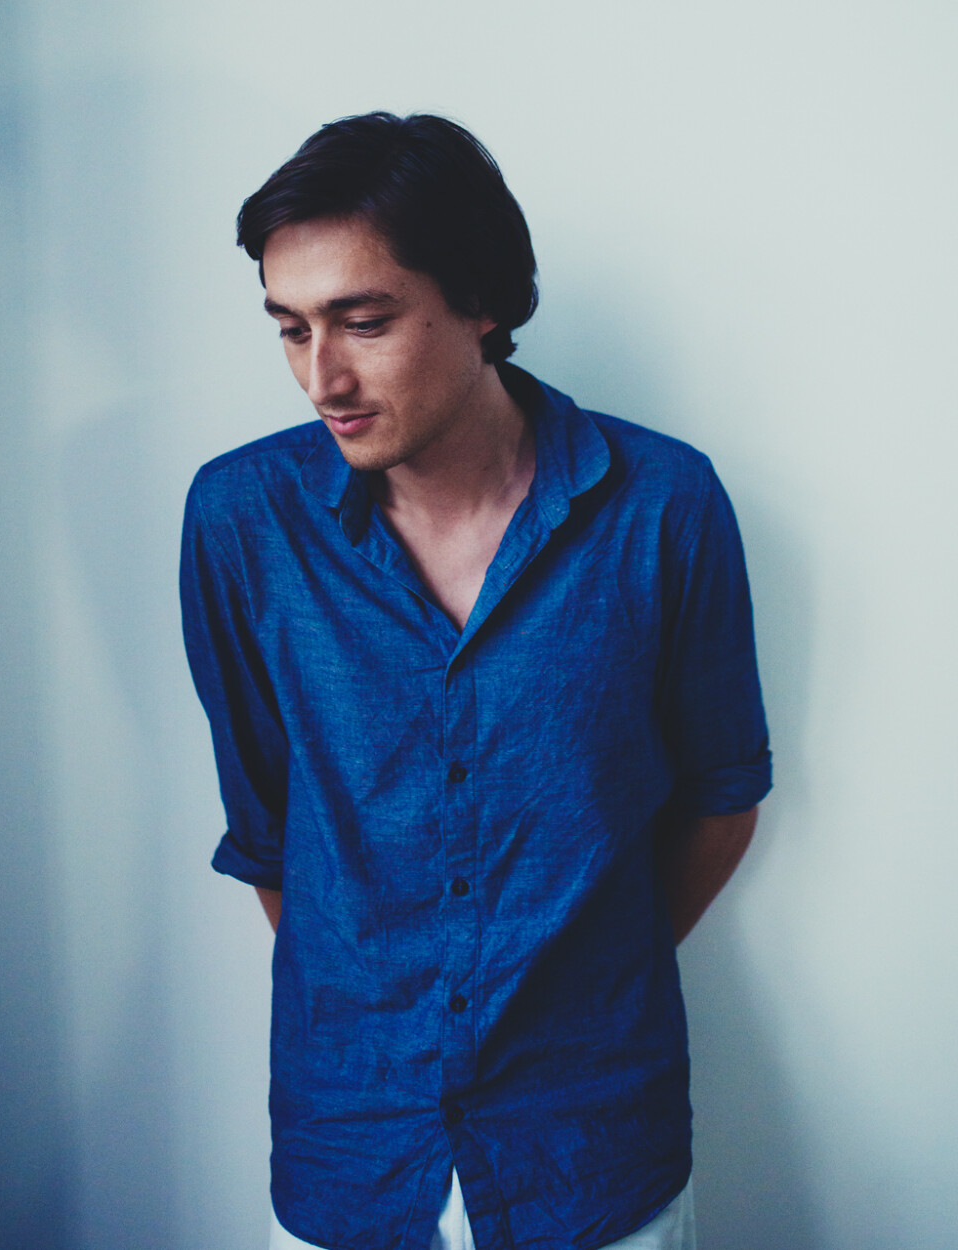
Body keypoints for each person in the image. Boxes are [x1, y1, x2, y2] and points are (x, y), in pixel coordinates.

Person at [180, 111, 771, 1250]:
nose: (322, 375)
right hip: (349, 1145)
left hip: (593, 1150)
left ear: (485, 302)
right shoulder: (240, 520)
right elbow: (268, 830)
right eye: (290, 328)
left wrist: (574, 981)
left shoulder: (664, 505)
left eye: (364, 321)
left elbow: (721, 794)